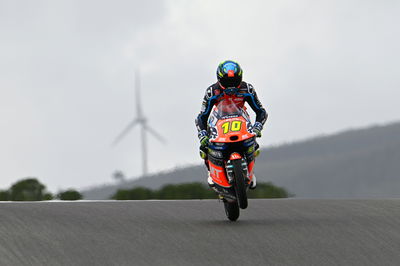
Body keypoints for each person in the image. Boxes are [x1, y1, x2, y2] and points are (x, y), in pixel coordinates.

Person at [195, 60, 268, 189]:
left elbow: (261, 112)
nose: (231, 86)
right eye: (227, 82)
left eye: (234, 81)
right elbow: (202, 116)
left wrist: (257, 126)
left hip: (241, 120)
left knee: (254, 145)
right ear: (219, 79)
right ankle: (211, 172)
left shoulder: (247, 89)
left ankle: (250, 171)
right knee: (204, 147)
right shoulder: (212, 92)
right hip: (218, 121)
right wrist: (202, 133)